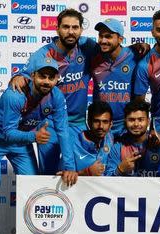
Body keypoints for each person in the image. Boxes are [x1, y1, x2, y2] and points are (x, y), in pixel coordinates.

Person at [0, 58, 77, 234]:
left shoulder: (56, 96)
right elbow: (8, 133)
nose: (46, 81)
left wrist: (69, 165)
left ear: (57, 79)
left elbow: (63, 131)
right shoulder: (15, 95)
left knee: (33, 187)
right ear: (32, 76)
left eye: (51, 77)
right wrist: (34, 137)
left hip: (20, 139)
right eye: (42, 76)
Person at [11, 8, 98, 174]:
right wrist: (16, 77)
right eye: (66, 27)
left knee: (78, 174)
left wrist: (137, 49)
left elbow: (113, 50)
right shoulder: (43, 54)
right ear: (57, 29)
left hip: (78, 123)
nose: (70, 32)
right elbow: (23, 75)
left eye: (75, 27)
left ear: (81, 29)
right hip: (49, 123)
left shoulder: (88, 47)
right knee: (48, 174)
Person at [91, 18, 138, 139]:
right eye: (100, 36)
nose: (103, 41)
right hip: (102, 126)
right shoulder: (93, 57)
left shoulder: (135, 56)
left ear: (120, 39)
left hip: (127, 125)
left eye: (108, 36)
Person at [105, 101, 160, 177]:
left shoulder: (159, 142)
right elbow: (107, 179)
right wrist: (120, 170)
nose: (136, 124)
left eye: (141, 120)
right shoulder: (117, 147)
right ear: (125, 121)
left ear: (148, 121)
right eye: (131, 120)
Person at [73, 101, 114, 176]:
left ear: (111, 124)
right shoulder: (73, 145)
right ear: (88, 122)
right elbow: (60, 176)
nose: (100, 126)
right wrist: (86, 172)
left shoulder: (111, 139)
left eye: (105, 122)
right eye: (96, 121)